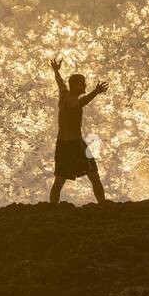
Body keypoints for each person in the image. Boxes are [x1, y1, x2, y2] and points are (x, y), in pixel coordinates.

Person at [49, 58, 108, 204]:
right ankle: (104, 206)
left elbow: (60, 82)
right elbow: (78, 104)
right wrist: (95, 92)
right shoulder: (70, 100)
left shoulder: (64, 93)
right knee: (93, 175)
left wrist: (56, 71)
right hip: (74, 145)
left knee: (59, 181)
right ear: (75, 85)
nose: (86, 85)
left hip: (62, 144)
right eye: (83, 82)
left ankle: (52, 208)